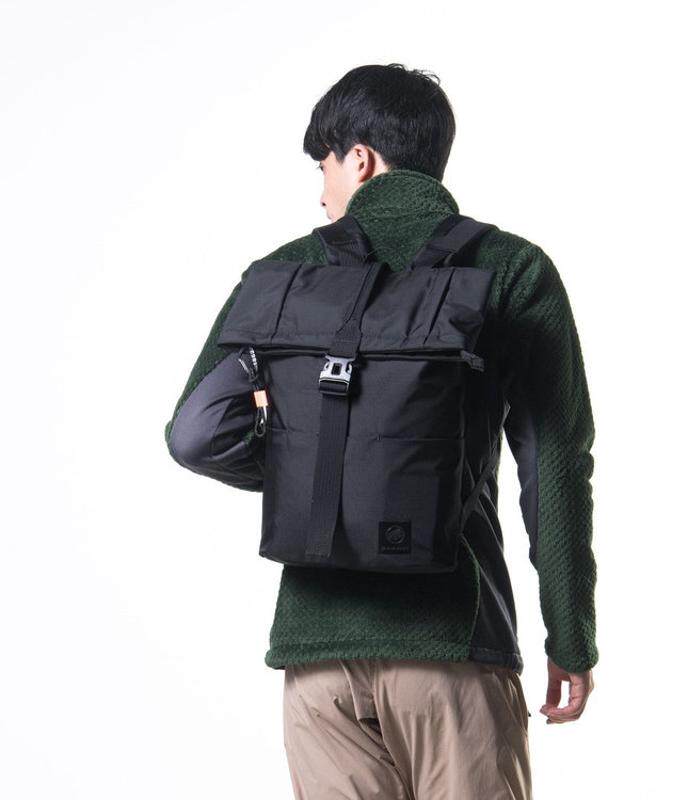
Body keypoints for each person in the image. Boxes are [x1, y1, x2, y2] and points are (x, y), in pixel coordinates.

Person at [165, 62, 598, 800]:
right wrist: (571, 634)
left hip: (316, 662)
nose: (321, 192)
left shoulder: (285, 271)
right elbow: (555, 466)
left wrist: (318, 464)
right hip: (453, 647)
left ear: (360, 159)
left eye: (324, 166)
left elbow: (195, 432)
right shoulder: (511, 268)